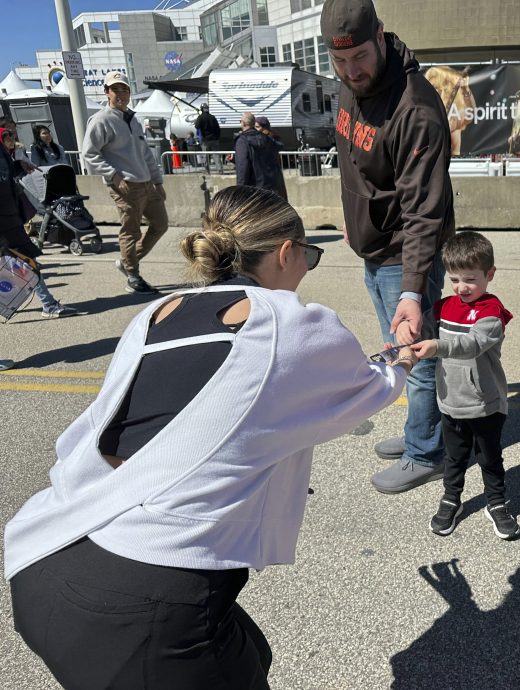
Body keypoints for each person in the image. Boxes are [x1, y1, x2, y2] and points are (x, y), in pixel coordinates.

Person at [5, 185, 418, 689]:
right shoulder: (288, 322)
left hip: (50, 550)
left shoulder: (157, 312)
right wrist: (402, 352)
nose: (307, 266)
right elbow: (369, 387)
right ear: (287, 252)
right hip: (141, 607)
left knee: (253, 655)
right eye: (308, 254)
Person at [322, 0, 455, 493]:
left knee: (414, 357)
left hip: (407, 254)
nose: (350, 71)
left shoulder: (415, 109)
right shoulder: (346, 85)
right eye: (339, 62)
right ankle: (419, 430)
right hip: (373, 247)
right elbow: (353, 160)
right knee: (397, 352)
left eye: (358, 56)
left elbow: (425, 211)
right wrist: (354, 216)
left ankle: (427, 452)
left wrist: (413, 292)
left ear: (380, 36)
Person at [399, 231, 519, 539]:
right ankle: (451, 499)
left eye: (469, 279)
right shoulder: (442, 307)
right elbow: (420, 331)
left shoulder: (491, 312)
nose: (461, 288)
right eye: (454, 280)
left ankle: (497, 502)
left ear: (489, 275)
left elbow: (472, 344)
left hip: (485, 403)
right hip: (450, 400)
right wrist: (405, 332)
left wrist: (437, 346)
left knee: (490, 458)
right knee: (454, 458)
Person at [83, 71, 168, 294]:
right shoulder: (102, 119)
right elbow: (89, 153)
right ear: (107, 92)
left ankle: (127, 261)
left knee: (160, 224)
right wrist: (113, 175)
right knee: (131, 231)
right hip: (126, 185)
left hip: (147, 183)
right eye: (115, 89)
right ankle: (132, 276)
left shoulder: (132, 119)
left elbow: (145, 153)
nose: (121, 93)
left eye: (124, 89)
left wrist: (157, 181)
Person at [0, 127, 75, 318]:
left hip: (10, 218)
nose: (10, 138)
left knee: (27, 260)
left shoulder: (2, 152)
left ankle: (48, 303)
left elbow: (7, 179)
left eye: (11, 135)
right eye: (6, 135)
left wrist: (19, 166)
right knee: (26, 260)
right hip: (5, 221)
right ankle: (48, 304)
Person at [234, 112, 287, 201]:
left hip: (254, 190)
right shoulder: (267, 138)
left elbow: (243, 167)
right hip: (272, 188)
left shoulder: (242, 141)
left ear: (243, 123)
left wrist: (240, 192)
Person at [424, 65, 475, 156]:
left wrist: (465, 89)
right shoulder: (424, 112)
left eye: (437, 88)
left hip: (452, 164)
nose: (434, 92)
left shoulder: (454, 116)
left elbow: (470, 114)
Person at [194, 102, 222, 173]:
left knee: (206, 156)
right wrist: (217, 137)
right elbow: (218, 128)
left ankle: (207, 170)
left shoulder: (200, 117)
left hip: (205, 141)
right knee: (216, 156)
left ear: (201, 109)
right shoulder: (212, 117)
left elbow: (197, 126)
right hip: (214, 140)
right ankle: (220, 170)